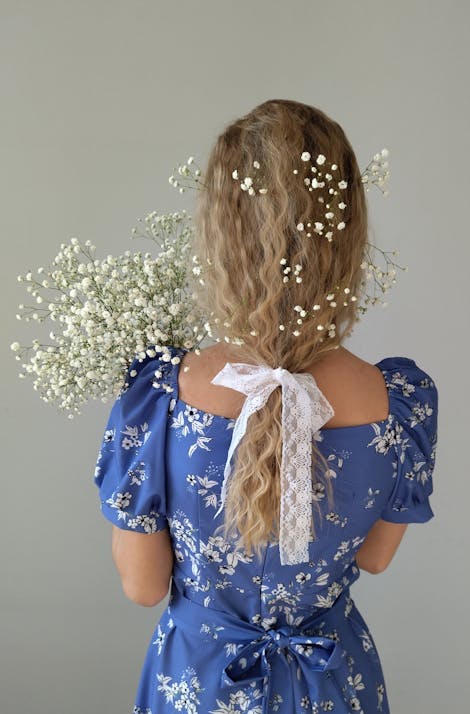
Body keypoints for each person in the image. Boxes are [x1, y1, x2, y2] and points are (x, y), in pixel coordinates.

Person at [94, 99, 438, 714]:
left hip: (200, 683)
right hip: (334, 681)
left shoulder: (161, 398)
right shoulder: (399, 402)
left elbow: (143, 587)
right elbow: (375, 558)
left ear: (220, 235)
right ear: (349, 233)